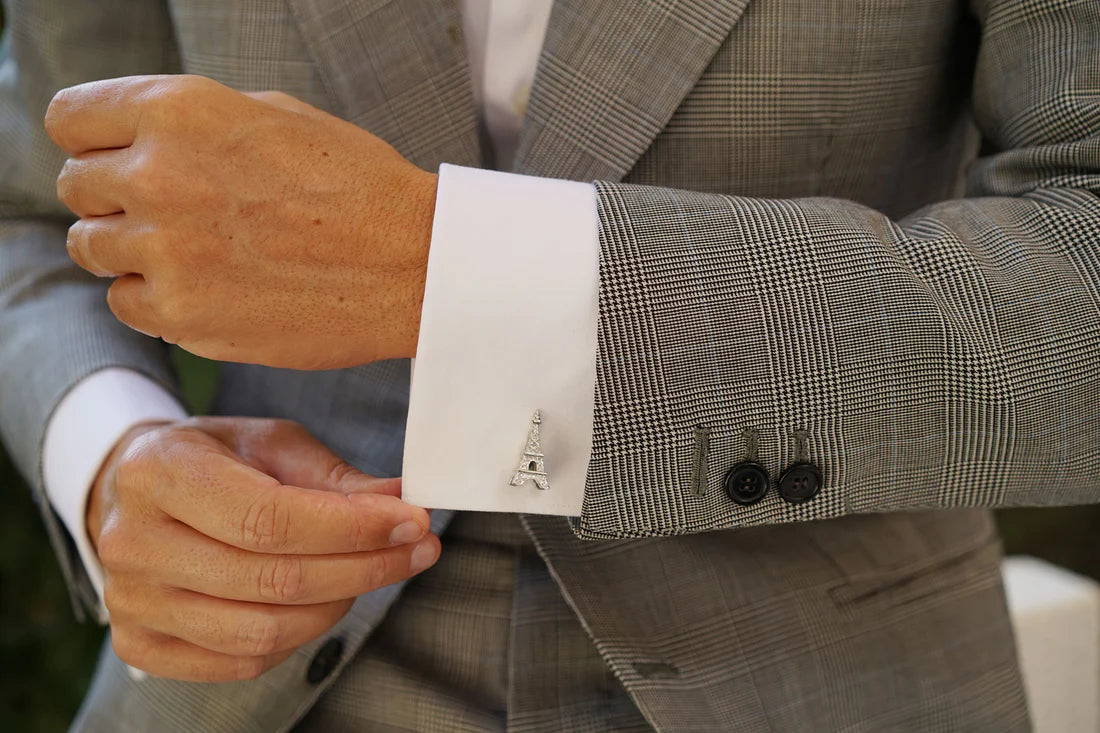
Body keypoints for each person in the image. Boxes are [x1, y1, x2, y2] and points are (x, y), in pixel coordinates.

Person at [1, 0, 1097, 729]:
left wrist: (455, 269)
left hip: (821, 681)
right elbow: (33, 204)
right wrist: (111, 451)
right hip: (246, 690)